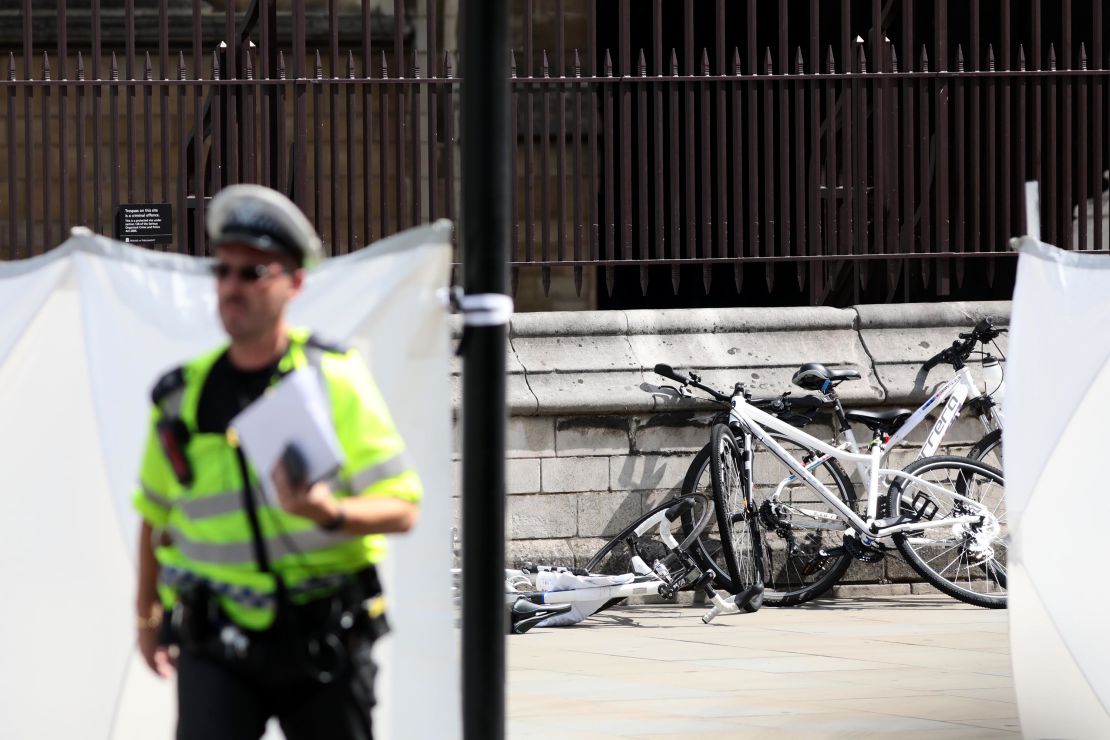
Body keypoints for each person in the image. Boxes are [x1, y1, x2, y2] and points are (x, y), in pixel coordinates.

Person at [132, 184, 422, 740]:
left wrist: (327, 511)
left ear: (294, 283)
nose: (232, 287)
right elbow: (154, 514)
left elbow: (402, 508)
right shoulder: (179, 397)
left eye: (252, 273)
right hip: (215, 642)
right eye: (223, 271)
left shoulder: (333, 379)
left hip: (323, 636)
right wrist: (145, 615)